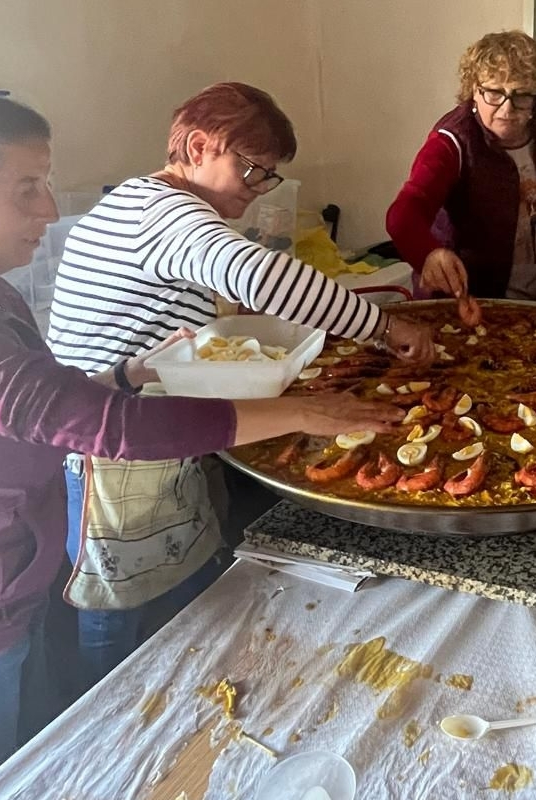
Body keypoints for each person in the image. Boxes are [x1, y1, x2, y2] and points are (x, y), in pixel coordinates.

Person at [0, 90, 400, 800]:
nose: (50, 209)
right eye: (26, 188)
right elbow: (111, 426)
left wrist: (128, 372)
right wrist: (300, 409)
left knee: (32, 746)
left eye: (47, 182)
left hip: (7, 579)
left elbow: (48, 396)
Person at [44, 82, 433, 689]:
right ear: (199, 147)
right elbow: (257, 274)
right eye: (251, 169)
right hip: (110, 443)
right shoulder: (162, 211)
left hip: (146, 421)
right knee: (116, 602)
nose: (257, 189)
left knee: (185, 581)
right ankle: (104, 702)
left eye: (269, 176)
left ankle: (195, 675)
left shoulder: (145, 202)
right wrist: (384, 328)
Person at [385, 30, 536, 305]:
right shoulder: (453, 141)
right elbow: (404, 214)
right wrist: (428, 254)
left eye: (521, 95)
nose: (506, 109)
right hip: (471, 303)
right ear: (474, 91)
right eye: (493, 92)